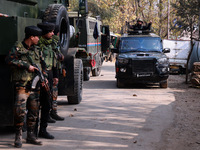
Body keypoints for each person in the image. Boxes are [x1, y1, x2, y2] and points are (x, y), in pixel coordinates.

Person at [6, 26, 44, 148]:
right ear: (31, 37)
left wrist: (44, 79)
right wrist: (25, 66)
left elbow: (42, 66)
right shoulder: (18, 48)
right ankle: (18, 135)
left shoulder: (37, 50)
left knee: (34, 111)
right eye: (37, 37)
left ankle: (31, 135)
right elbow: (9, 60)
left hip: (34, 86)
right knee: (19, 111)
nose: (38, 39)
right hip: (22, 85)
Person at [37, 22, 63, 139]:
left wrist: (56, 76)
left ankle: (43, 130)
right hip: (38, 77)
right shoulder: (37, 45)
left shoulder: (50, 44)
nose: (53, 33)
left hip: (49, 76)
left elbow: (55, 61)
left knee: (47, 103)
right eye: (50, 32)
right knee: (34, 106)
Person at [50, 27, 65, 121]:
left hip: (54, 69)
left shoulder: (54, 42)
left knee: (54, 93)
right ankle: (52, 112)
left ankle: (52, 112)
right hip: (52, 71)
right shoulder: (54, 42)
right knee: (53, 93)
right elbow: (56, 56)